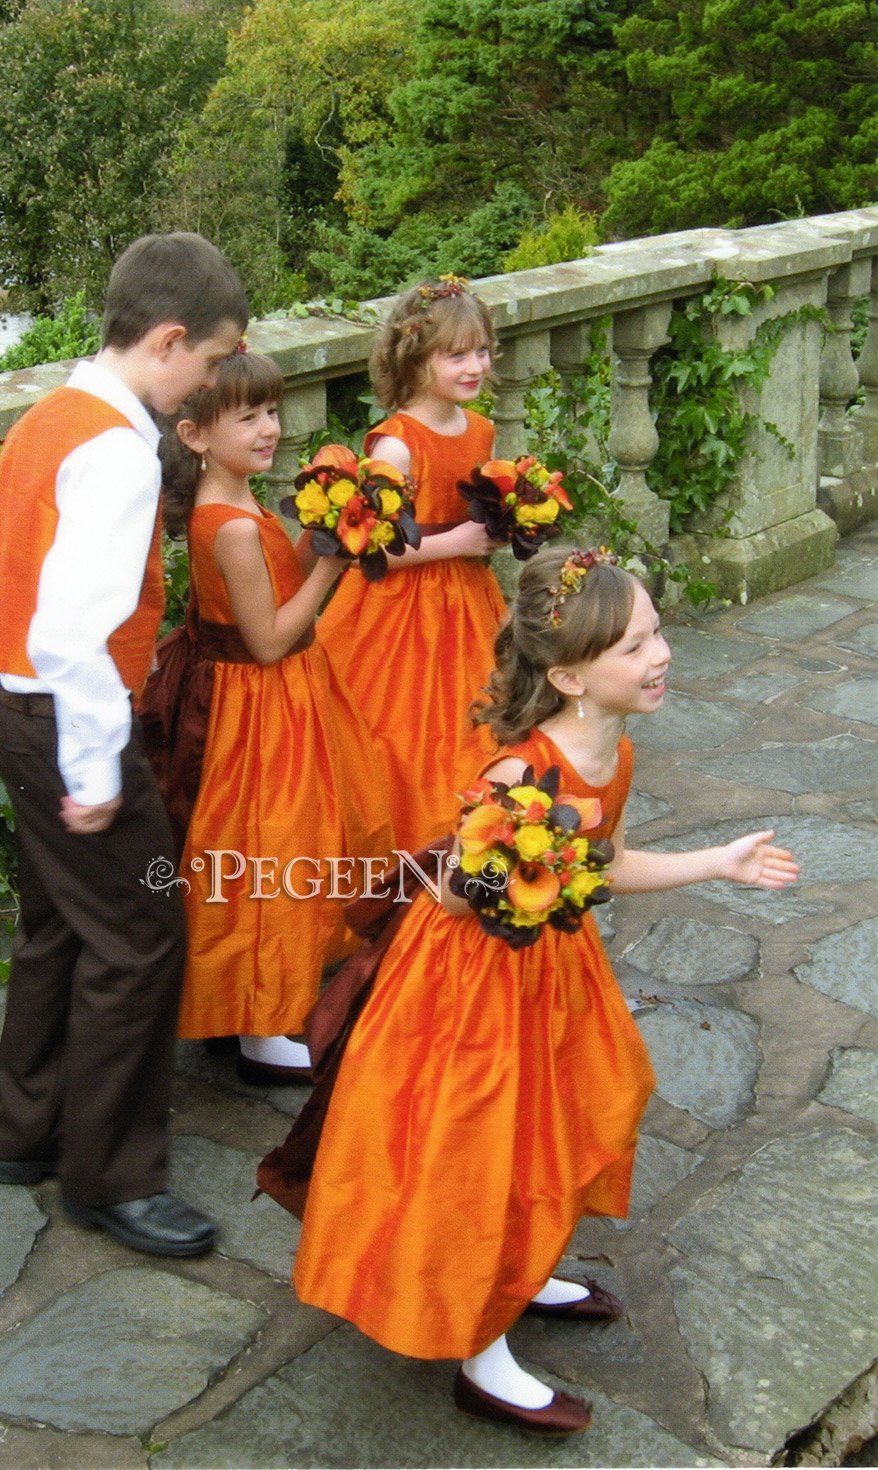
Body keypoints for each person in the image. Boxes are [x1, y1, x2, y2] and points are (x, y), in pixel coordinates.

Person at [290, 547, 799, 1434]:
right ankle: (479, 1350)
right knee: (483, 1152)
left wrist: (718, 862)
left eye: (656, 633)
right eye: (635, 645)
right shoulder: (516, 775)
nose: (660, 655)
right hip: (471, 986)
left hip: (552, 971)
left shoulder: (616, 752)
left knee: (587, 1104)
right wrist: (505, 856)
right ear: (568, 675)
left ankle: (520, 1270)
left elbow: (602, 864)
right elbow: (450, 892)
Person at [0, 232, 249, 1257]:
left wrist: (13, 672)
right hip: (72, 724)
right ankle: (109, 1177)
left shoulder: (48, 415)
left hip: (17, 705)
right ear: (168, 341)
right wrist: (90, 771)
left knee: (58, 924)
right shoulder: (121, 454)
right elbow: (76, 633)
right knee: (142, 933)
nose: (211, 381)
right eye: (212, 363)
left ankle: (23, 1131)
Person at [151, 350, 394, 1081]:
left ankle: (247, 1004)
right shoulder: (226, 524)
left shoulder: (241, 505)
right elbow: (269, 638)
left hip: (268, 701)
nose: (269, 429)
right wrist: (336, 557)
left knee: (276, 852)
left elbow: (270, 577)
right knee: (272, 853)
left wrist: (313, 531)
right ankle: (260, 1026)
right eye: (248, 416)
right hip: (258, 711)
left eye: (271, 412)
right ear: (195, 435)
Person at [316, 275, 507, 855]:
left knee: (479, 724)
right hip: (399, 614)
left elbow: (471, 510)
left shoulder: (481, 430)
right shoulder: (396, 446)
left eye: (481, 351)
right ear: (416, 359)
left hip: (470, 604)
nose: (475, 365)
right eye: (456, 355)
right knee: (402, 738)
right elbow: (369, 547)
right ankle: (405, 861)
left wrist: (504, 522)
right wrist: (458, 544)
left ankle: (476, 847)